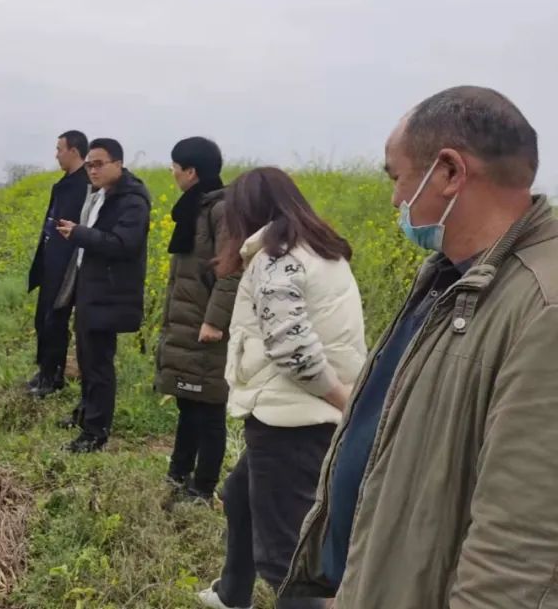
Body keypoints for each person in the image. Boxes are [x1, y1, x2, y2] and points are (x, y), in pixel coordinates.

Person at [285, 87, 558, 609]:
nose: (394, 199)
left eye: (397, 177)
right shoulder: (450, 278)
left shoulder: (543, 305)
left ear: (450, 172)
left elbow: (522, 548)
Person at [198, 168, 366, 609]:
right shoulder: (319, 250)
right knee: (239, 494)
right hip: (298, 414)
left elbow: (293, 348)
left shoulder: (276, 260)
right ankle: (232, 594)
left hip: (291, 419)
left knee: (285, 561)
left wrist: (343, 400)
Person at [154, 137, 240, 503]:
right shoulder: (195, 207)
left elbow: (232, 270)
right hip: (188, 320)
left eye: (175, 166)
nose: (172, 172)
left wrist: (215, 321)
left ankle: (202, 486)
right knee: (187, 402)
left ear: (191, 171)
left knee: (209, 409)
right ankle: (178, 472)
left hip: (205, 326)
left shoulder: (221, 210)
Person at [56, 138, 151, 453]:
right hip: (90, 289)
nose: (92, 170)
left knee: (98, 363)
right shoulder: (101, 195)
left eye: (99, 164)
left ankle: (96, 433)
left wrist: (80, 235)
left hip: (109, 294)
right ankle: (85, 414)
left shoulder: (132, 201)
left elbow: (125, 244)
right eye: (89, 165)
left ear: (118, 164)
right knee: (85, 357)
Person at [26, 130, 91, 397]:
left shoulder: (85, 185)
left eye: (59, 149)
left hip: (66, 263)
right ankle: (45, 369)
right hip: (50, 260)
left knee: (55, 320)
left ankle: (52, 378)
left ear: (74, 151)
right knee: (42, 318)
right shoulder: (65, 183)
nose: (56, 154)